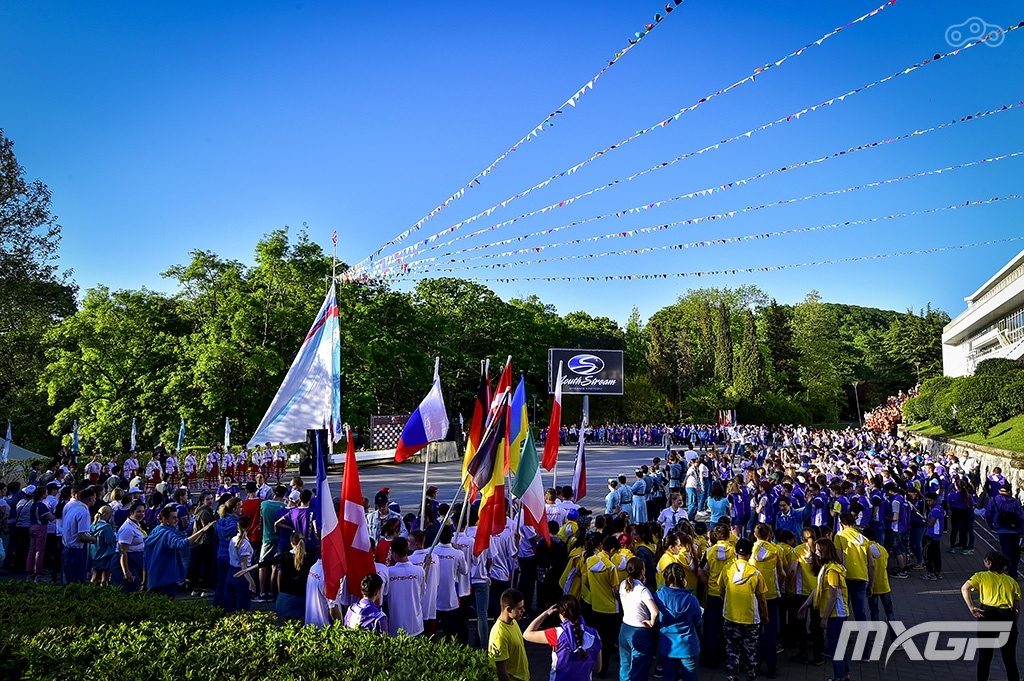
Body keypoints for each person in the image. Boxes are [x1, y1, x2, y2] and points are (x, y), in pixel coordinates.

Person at [960, 551, 1020, 681]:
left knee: (985, 656)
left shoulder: (980, 576)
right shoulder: (1012, 582)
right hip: (1007, 616)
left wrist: (971, 607)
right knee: (1009, 657)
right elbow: (1016, 608)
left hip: (987, 615)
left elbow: (965, 588)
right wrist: (1014, 624)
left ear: (989, 563)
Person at [798, 538, 850, 681]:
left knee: (835, 647)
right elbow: (818, 588)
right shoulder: (827, 567)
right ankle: (845, 675)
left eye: (818, 549)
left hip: (836, 614)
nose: (816, 552)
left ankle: (839, 677)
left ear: (825, 551)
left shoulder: (832, 570)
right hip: (833, 613)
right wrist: (806, 604)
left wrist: (825, 618)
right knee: (839, 646)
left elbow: (833, 596)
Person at [523, 594, 602, 681]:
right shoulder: (594, 635)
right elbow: (598, 668)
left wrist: (545, 614)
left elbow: (527, 634)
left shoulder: (556, 634)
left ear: (561, 613)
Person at [720, 537, 768, 681]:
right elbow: (762, 599)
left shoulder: (727, 568)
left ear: (736, 552)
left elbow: (721, 590)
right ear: (749, 554)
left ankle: (731, 676)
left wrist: (727, 602)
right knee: (750, 650)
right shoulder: (756, 573)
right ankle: (750, 676)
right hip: (751, 618)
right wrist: (765, 614)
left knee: (732, 649)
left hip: (730, 615)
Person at [145, 504, 213, 598]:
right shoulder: (167, 534)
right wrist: (201, 531)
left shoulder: (156, 530)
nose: (177, 520)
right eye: (174, 518)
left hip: (154, 576)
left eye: (176, 517)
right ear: (164, 520)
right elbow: (182, 544)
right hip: (167, 578)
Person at [653, 562, 701, 681]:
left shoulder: (658, 596)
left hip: (667, 646)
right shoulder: (692, 599)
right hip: (688, 647)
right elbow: (697, 621)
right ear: (683, 579)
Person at [618, 557, 660, 681]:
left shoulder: (623, 584)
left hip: (624, 629)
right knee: (639, 671)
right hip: (640, 632)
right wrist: (651, 623)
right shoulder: (642, 590)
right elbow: (655, 612)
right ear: (642, 571)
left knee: (625, 668)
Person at [489, 587, 529, 681]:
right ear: (508, 609)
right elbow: (501, 671)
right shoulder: (499, 635)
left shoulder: (513, 622)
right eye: (519, 608)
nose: (523, 610)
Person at [985, 485, 1024, 579]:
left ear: (999, 491)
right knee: (1015, 551)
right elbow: (1021, 516)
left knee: (1007, 551)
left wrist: (991, 525)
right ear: (1009, 492)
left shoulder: (994, 500)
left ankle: (1011, 572)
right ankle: (1014, 568)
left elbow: (988, 514)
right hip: (1015, 530)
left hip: (1002, 529)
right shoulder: (1015, 502)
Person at [61, 485, 98, 584]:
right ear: (90, 499)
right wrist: (93, 538)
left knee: (68, 581)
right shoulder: (84, 512)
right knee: (76, 582)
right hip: (75, 551)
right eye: (94, 499)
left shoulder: (72, 508)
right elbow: (81, 536)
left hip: (66, 547)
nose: (95, 501)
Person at [112, 501, 146, 591]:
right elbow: (123, 552)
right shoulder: (127, 529)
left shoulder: (137, 524)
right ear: (131, 513)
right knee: (129, 588)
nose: (141, 514)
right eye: (138, 512)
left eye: (143, 512)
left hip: (136, 559)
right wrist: (126, 572)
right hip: (127, 561)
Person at [225, 515, 257, 612]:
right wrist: (251, 581)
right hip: (242, 575)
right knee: (242, 606)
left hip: (231, 572)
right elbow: (244, 566)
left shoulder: (233, 539)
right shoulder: (245, 544)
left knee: (230, 604)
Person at [89, 505, 117, 586]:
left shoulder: (92, 526)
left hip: (95, 553)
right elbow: (110, 540)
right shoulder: (106, 527)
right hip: (106, 554)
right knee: (105, 578)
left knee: (95, 576)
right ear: (105, 514)